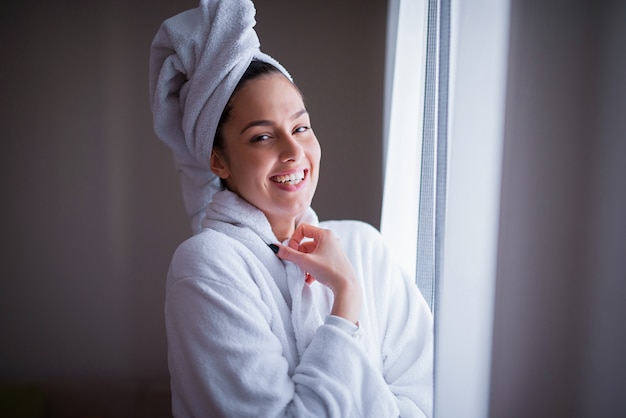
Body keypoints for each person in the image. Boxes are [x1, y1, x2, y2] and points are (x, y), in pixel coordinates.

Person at [149, 1, 433, 416]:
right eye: (262, 137)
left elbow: (429, 404)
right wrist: (345, 304)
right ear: (218, 161)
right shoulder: (208, 266)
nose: (293, 150)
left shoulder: (365, 247)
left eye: (301, 127)